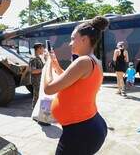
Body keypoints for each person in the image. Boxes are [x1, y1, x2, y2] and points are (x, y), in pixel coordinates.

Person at [44, 16, 108, 155]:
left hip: (80, 132)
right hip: (88, 126)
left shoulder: (83, 62)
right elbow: (70, 79)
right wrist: (55, 64)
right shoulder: (93, 61)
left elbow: (48, 88)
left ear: (84, 39)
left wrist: (48, 63)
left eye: (73, 38)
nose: (70, 43)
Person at [30, 42, 45, 109]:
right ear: (38, 49)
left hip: (39, 80)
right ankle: (35, 110)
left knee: (39, 96)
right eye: (42, 48)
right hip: (36, 80)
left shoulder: (39, 58)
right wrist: (43, 69)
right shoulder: (34, 58)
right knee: (37, 96)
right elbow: (33, 71)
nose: (43, 50)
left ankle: (38, 110)